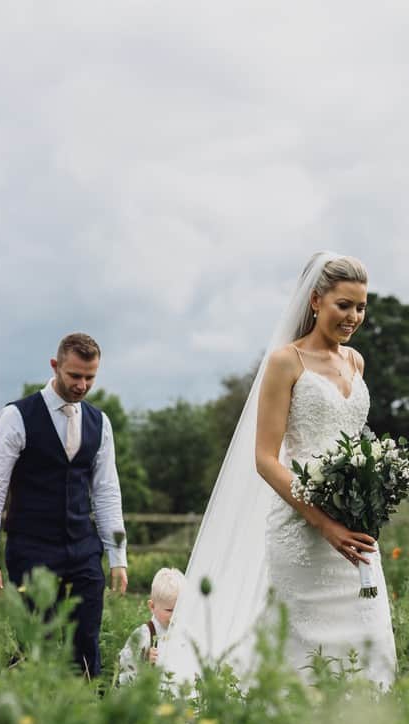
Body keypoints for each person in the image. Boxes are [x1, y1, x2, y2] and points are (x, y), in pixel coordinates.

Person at [158, 252, 396, 689]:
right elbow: (265, 459)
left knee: (368, 631)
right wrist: (325, 524)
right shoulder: (287, 361)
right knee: (304, 643)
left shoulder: (356, 362)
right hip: (302, 523)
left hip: (355, 526)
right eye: (344, 305)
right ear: (316, 301)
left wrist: (372, 491)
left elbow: (354, 443)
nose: (353, 316)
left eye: (361, 307)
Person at [0, 332, 129, 678]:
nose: (82, 385)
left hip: (83, 550)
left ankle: (87, 719)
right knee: (34, 647)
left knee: (85, 646)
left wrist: (118, 557)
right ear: (55, 366)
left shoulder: (99, 423)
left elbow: (106, 492)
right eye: (75, 375)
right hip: (31, 549)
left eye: (90, 377)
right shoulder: (17, 416)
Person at [116, 567, 184, 686]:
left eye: (178, 610)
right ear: (152, 606)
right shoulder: (145, 634)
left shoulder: (180, 631)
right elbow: (124, 662)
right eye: (169, 610)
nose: (174, 616)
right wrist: (143, 658)